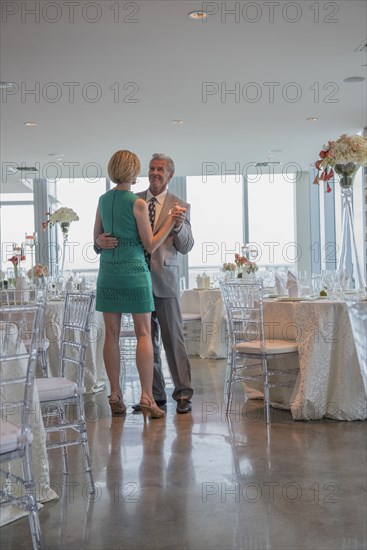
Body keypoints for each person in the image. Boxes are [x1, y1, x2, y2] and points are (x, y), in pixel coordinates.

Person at [95, 153, 194, 414]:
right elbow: (146, 242)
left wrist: (178, 225)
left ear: (170, 175)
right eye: (151, 168)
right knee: (146, 336)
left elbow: (187, 246)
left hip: (157, 278)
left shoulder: (180, 204)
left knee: (172, 340)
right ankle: (153, 395)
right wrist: (99, 242)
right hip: (136, 277)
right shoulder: (136, 200)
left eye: (160, 169)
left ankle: (182, 393)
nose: (154, 173)